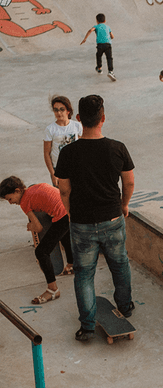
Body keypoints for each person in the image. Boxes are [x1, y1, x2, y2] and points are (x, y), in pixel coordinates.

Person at [54, 94, 135, 340]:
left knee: (84, 274)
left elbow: (64, 189)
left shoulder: (68, 153)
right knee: (119, 264)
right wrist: (123, 205)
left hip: (82, 223)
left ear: (78, 119)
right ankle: (125, 306)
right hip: (112, 218)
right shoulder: (117, 147)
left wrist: (69, 212)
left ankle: (87, 326)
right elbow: (129, 182)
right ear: (103, 118)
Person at [1, 176, 75, 304]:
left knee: (41, 252)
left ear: (17, 191)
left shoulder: (24, 203)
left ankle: (53, 289)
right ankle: (72, 265)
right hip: (70, 208)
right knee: (64, 235)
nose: (10, 202)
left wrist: (30, 226)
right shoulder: (33, 188)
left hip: (61, 215)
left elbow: (39, 228)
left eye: (10, 199)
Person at [44, 96, 83, 187]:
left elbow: (82, 147)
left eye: (62, 109)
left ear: (68, 111)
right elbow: (47, 153)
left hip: (76, 167)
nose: (59, 113)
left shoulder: (77, 126)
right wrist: (53, 174)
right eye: (56, 110)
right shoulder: (50, 129)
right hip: (59, 169)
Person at [80, 13, 116, 81]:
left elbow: (90, 30)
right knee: (109, 58)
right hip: (108, 44)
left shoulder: (96, 26)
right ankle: (110, 71)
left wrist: (85, 39)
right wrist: (109, 37)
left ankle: (99, 68)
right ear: (105, 21)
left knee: (99, 56)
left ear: (97, 21)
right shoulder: (108, 27)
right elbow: (112, 36)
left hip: (100, 45)